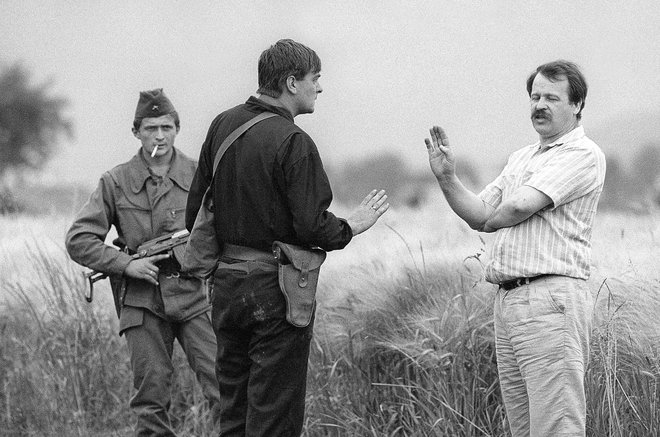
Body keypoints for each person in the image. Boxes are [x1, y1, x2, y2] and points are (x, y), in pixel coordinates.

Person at [185, 39, 389, 436]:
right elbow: (312, 227)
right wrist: (353, 225)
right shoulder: (294, 142)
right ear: (292, 82)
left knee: (235, 412)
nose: (320, 87)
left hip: (225, 287)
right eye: (316, 78)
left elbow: (197, 211)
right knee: (273, 416)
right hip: (275, 290)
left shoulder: (222, 125)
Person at [424, 60, 606, 436]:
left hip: (550, 299)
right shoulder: (523, 158)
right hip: (509, 302)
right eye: (535, 96)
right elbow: (479, 214)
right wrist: (447, 178)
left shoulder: (582, 154)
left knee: (556, 426)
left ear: (576, 105)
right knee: (522, 429)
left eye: (552, 98)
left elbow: (520, 205)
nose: (539, 104)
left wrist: (491, 219)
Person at [65, 89, 221, 436]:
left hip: (195, 296)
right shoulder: (116, 181)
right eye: (151, 128)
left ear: (177, 129)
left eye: (166, 127)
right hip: (142, 301)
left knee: (223, 388)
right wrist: (125, 264)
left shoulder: (201, 176)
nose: (159, 136)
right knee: (150, 400)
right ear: (136, 132)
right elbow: (79, 240)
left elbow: (224, 229)